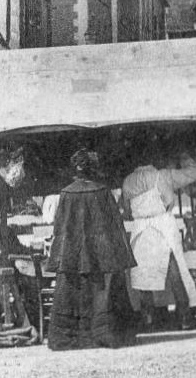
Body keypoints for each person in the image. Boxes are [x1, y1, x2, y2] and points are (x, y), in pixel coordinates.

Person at [45, 149, 135, 350]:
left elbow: (61, 228)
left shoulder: (66, 193)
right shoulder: (102, 191)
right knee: (104, 291)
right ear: (93, 169)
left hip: (73, 254)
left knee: (72, 291)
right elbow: (115, 225)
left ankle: (74, 337)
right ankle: (105, 334)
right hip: (102, 255)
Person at [121, 149, 196, 329]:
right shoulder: (163, 175)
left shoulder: (127, 181)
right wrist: (183, 154)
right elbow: (194, 173)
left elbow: (126, 210)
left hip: (141, 228)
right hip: (163, 226)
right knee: (175, 270)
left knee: (143, 273)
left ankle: (147, 317)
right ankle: (184, 316)